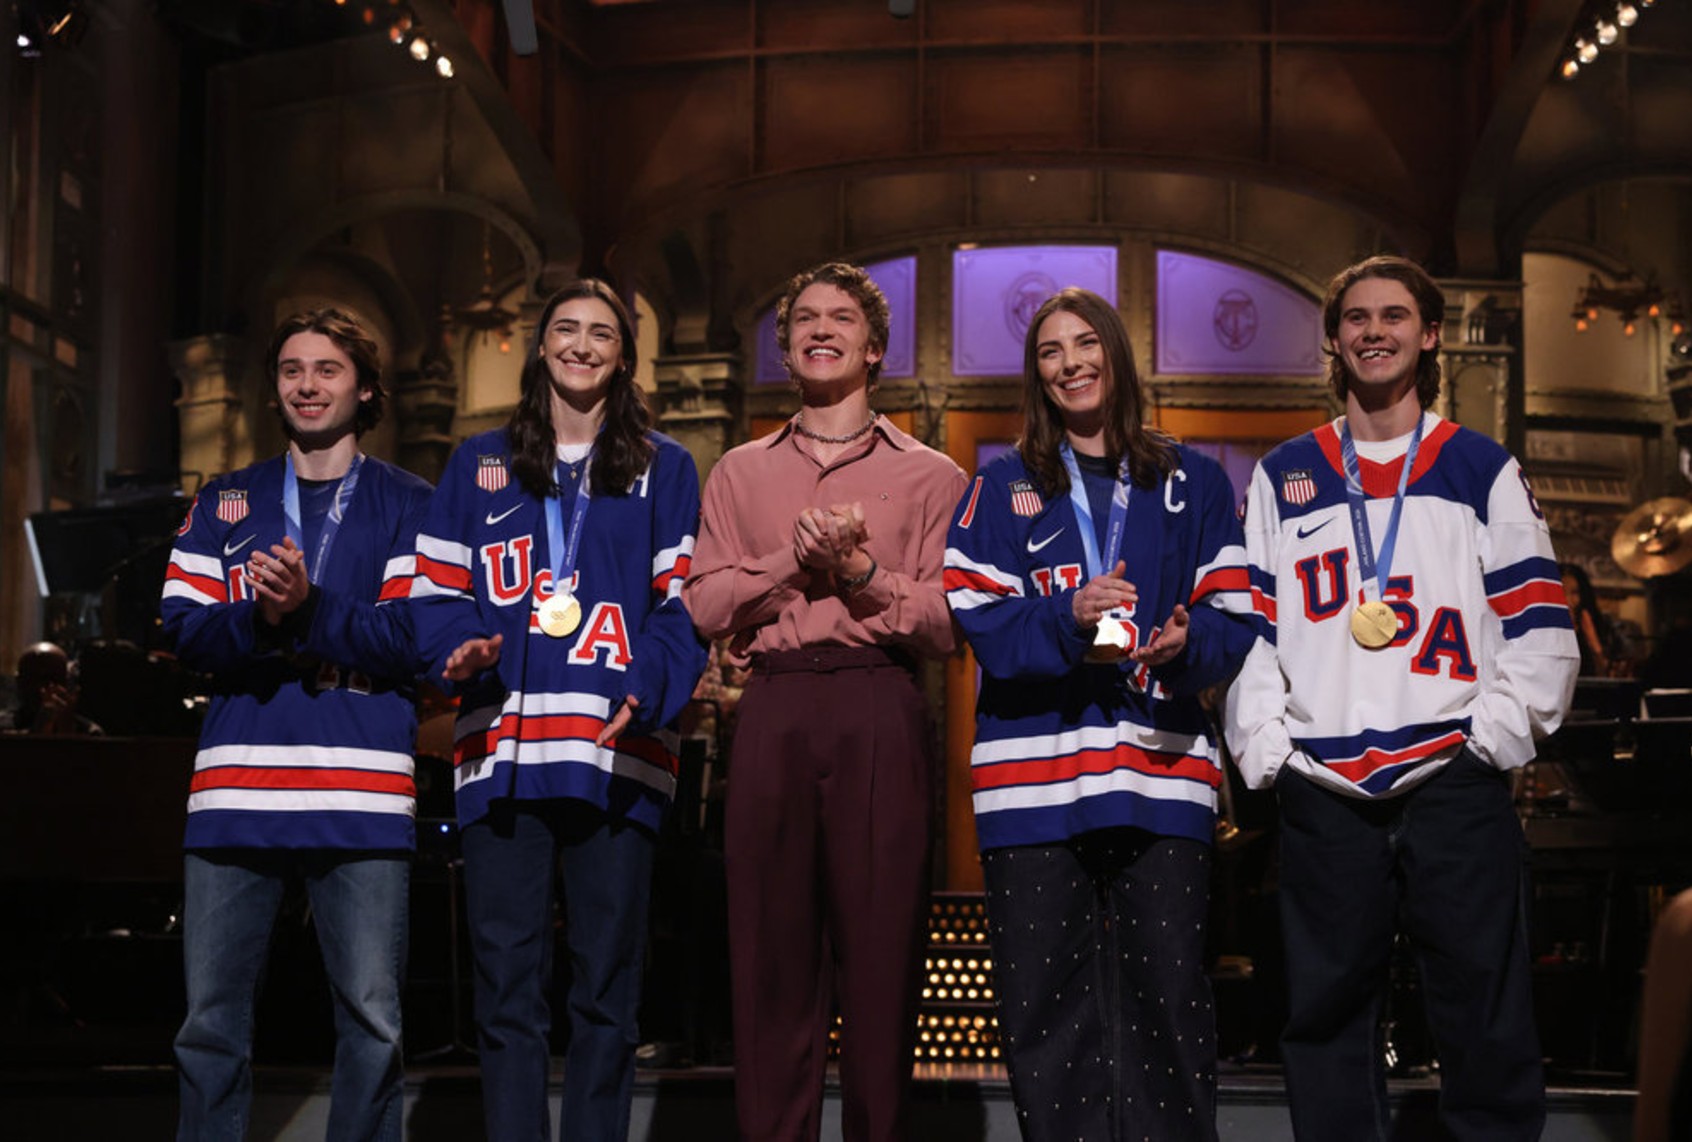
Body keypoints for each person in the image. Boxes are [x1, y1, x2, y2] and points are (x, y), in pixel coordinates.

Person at [1223, 255, 1578, 1140]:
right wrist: (1272, 753)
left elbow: (1539, 627)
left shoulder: (1481, 469)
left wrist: (1489, 739)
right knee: (1322, 1021)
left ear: (1430, 335)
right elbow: (1249, 634)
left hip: (1452, 777)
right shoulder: (1285, 474)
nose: (1373, 331)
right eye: (1355, 318)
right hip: (1324, 786)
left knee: (1484, 1017)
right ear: (1334, 341)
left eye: (1393, 316)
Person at [943, 287, 1255, 1141]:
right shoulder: (1001, 483)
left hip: (1159, 770)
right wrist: (1067, 617)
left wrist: (1193, 640)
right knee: (1046, 1017)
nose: (1072, 363)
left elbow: (1237, 615)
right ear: (1035, 373)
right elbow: (980, 622)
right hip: (1030, 782)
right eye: (1051, 351)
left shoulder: (1192, 479)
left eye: (1087, 344)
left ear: (1116, 355)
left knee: (1170, 1004)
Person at [410, 279, 706, 1141]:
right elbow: (436, 592)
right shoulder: (476, 463)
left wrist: (647, 687)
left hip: (617, 752)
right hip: (500, 748)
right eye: (566, 330)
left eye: (602, 333)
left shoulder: (667, 465)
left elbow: (681, 608)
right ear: (540, 345)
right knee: (507, 990)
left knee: (606, 992)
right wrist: (458, 646)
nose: (581, 344)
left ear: (625, 355)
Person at [682, 261, 966, 1141]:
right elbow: (704, 605)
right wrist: (793, 567)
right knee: (771, 963)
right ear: (786, 345)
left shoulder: (933, 476)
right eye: (804, 317)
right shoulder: (737, 471)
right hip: (771, 708)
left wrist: (862, 575)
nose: (820, 328)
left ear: (872, 347)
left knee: (881, 963)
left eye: (841, 317)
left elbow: (946, 625)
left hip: (879, 705)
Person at [162, 307, 432, 1141]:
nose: (307, 385)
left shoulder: (410, 502)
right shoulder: (227, 499)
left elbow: (413, 639)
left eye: (327, 369)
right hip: (236, 791)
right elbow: (182, 629)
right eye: (290, 370)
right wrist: (267, 617)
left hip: (362, 792)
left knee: (374, 1027)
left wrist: (309, 607)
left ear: (365, 386)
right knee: (209, 1027)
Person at [0, 641, 102, 734]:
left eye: (52, 679)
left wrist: (67, 729)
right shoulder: (4, 726)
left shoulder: (90, 732)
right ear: (19, 682)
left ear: (67, 683)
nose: (42, 689)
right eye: (33, 679)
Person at [1560, 561, 1613, 676]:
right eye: (1561, 592)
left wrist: (1592, 639)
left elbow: (1605, 676)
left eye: (1574, 593)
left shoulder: (1599, 626)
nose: (1568, 601)